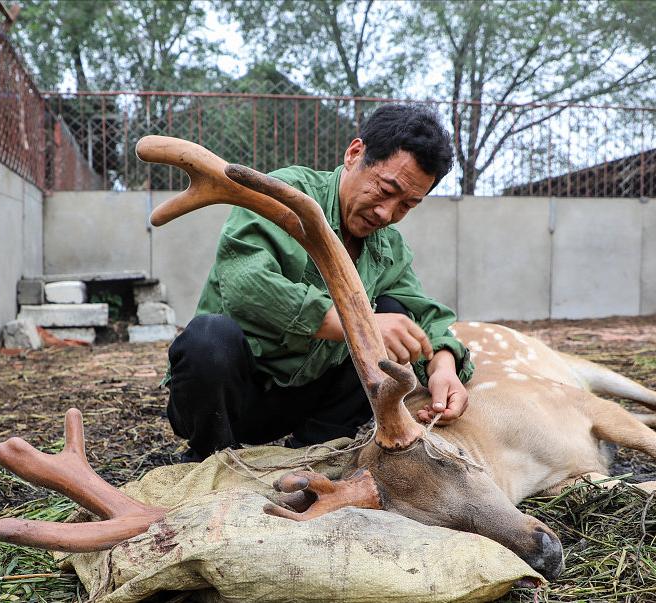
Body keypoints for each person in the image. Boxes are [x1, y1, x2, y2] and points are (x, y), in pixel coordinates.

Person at [165, 104, 473, 461]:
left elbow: (425, 314)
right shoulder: (280, 194)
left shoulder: (388, 246)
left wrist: (444, 367)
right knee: (208, 337)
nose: (387, 213)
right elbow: (244, 285)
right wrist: (358, 324)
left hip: (303, 404)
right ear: (355, 154)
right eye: (385, 189)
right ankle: (209, 453)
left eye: (408, 204)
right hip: (231, 397)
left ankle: (315, 453)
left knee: (395, 312)